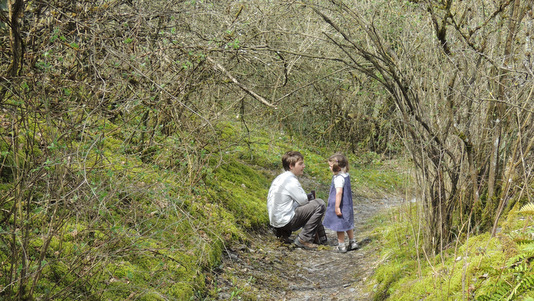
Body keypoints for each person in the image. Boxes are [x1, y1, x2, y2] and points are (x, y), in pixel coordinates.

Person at [267, 151, 327, 249]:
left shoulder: (280, 178)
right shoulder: (291, 180)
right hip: (285, 221)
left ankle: (283, 236)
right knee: (319, 204)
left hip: (275, 221)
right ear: (291, 166)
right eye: (300, 164)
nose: (303, 166)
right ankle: (304, 239)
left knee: (291, 205)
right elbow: (303, 201)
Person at [322, 153, 359, 253]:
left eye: (330, 166)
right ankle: (353, 242)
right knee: (348, 223)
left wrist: (337, 207)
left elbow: (339, 193)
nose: (329, 168)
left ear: (336, 167)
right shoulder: (346, 175)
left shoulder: (339, 178)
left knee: (340, 226)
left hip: (341, 206)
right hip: (348, 206)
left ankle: (341, 245)